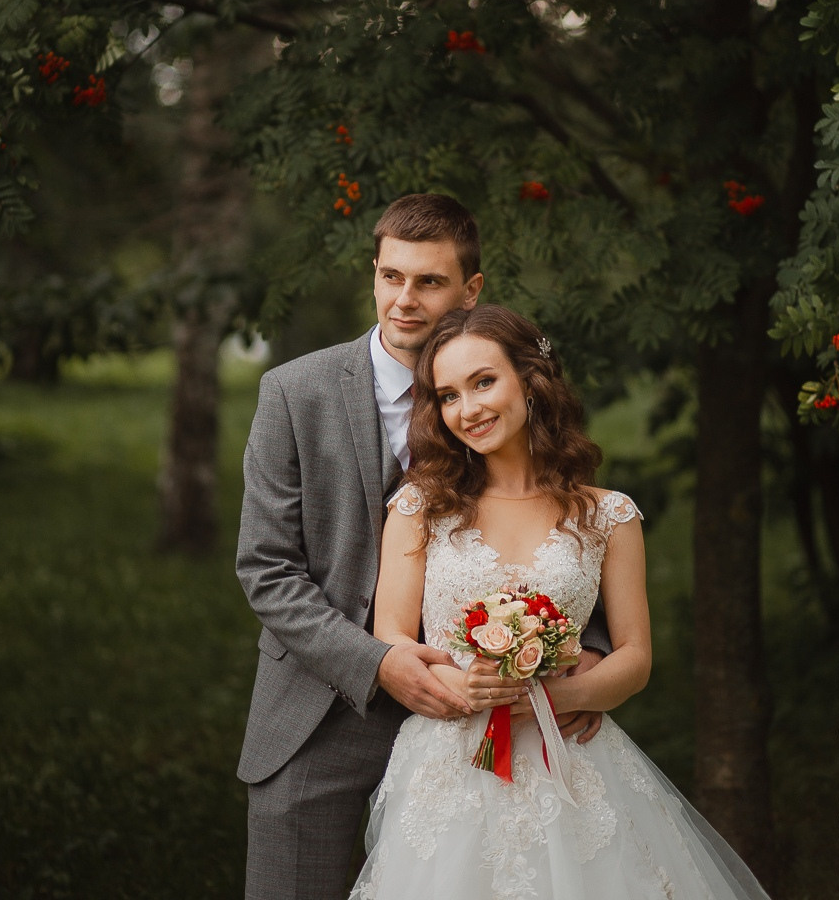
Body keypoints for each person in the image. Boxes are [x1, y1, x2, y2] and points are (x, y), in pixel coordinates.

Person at [236, 196, 610, 900]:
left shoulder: (498, 393)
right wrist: (378, 663)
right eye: (389, 277)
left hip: (490, 720)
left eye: (429, 282)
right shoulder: (294, 393)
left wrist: (581, 646)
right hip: (321, 710)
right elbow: (265, 567)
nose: (403, 301)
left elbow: (561, 522)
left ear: (471, 289)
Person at [350, 303, 773, 900]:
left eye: (483, 382)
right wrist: (457, 686)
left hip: (571, 761)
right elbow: (391, 632)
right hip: (451, 762)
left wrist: (558, 697)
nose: (467, 409)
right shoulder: (421, 507)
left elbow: (634, 656)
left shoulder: (608, 514)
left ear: (531, 379)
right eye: (447, 395)